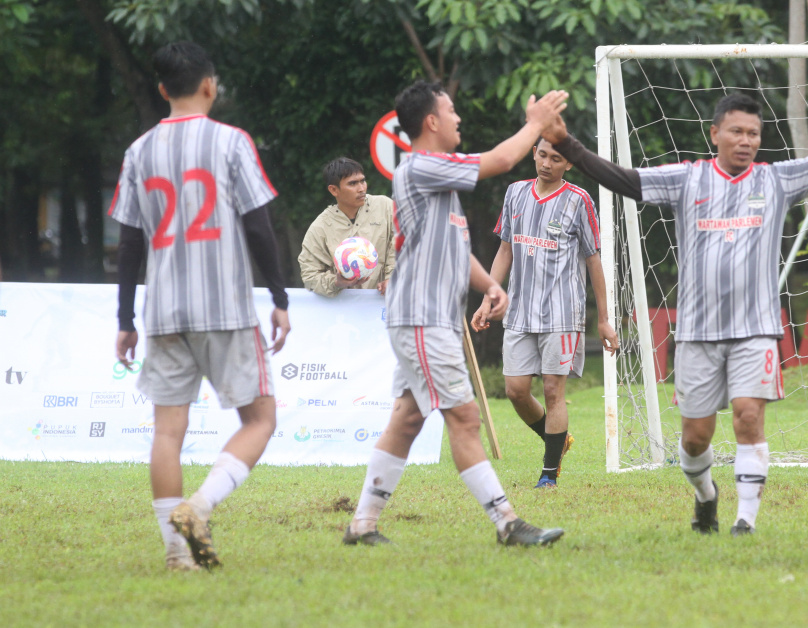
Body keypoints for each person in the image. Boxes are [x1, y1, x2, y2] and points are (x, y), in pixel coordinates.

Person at [543, 91, 808, 535]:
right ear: (715, 134)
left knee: (748, 415)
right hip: (696, 334)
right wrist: (567, 143)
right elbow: (624, 180)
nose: (746, 140)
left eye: (754, 133)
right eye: (736, 131)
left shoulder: (777, 180)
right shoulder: (686, 180)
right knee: (695, 438)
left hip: (756, 330)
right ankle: (705, 496)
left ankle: (745, 521)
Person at [343, 80, 569, 547]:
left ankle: (362, 525)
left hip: (425, 318)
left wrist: (489, 283)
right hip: (422, 318)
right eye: (451, 111)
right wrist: (535, 124)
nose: (458, 118)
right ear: (431, 121)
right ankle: (508, 522)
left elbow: (452, 247)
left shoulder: (433, 175)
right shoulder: (425, 165)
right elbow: (503, 161)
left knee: (406, 419)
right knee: (465, 418)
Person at [110, 41, 291, 571]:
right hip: (226, 308)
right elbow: (258, 224)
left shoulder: (138, 151)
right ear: (210, 85)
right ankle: (200, 505)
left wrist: (126, 320)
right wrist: (279, 298)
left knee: (167, 431)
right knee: (260, 418)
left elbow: (128, 243)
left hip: (164, 311)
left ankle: (175, 555)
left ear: (163, 89)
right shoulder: (232, 142)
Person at [471, 138, 619, 488]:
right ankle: (558, 440)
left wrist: (603, 318)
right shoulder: (515, 194)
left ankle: (549, 475)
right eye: (542, 155)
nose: (547, 163)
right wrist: (489, 296)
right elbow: (506, 248)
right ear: (533, 154)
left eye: (556, 158)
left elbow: (593, 259)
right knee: (516, 390)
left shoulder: (579, 200)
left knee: (553, 390)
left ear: (568, 164)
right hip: (520, 311)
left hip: (563, 313)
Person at [298, 157, 396, 296]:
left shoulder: (386, 207)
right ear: (333, 190)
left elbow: (406, 244)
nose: (361, 188)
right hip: (343, 312)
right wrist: (336, 282)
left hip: (386, 304)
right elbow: (309, 276)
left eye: (362, 181)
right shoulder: (320, 227)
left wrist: (393, 278)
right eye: (353, 184)